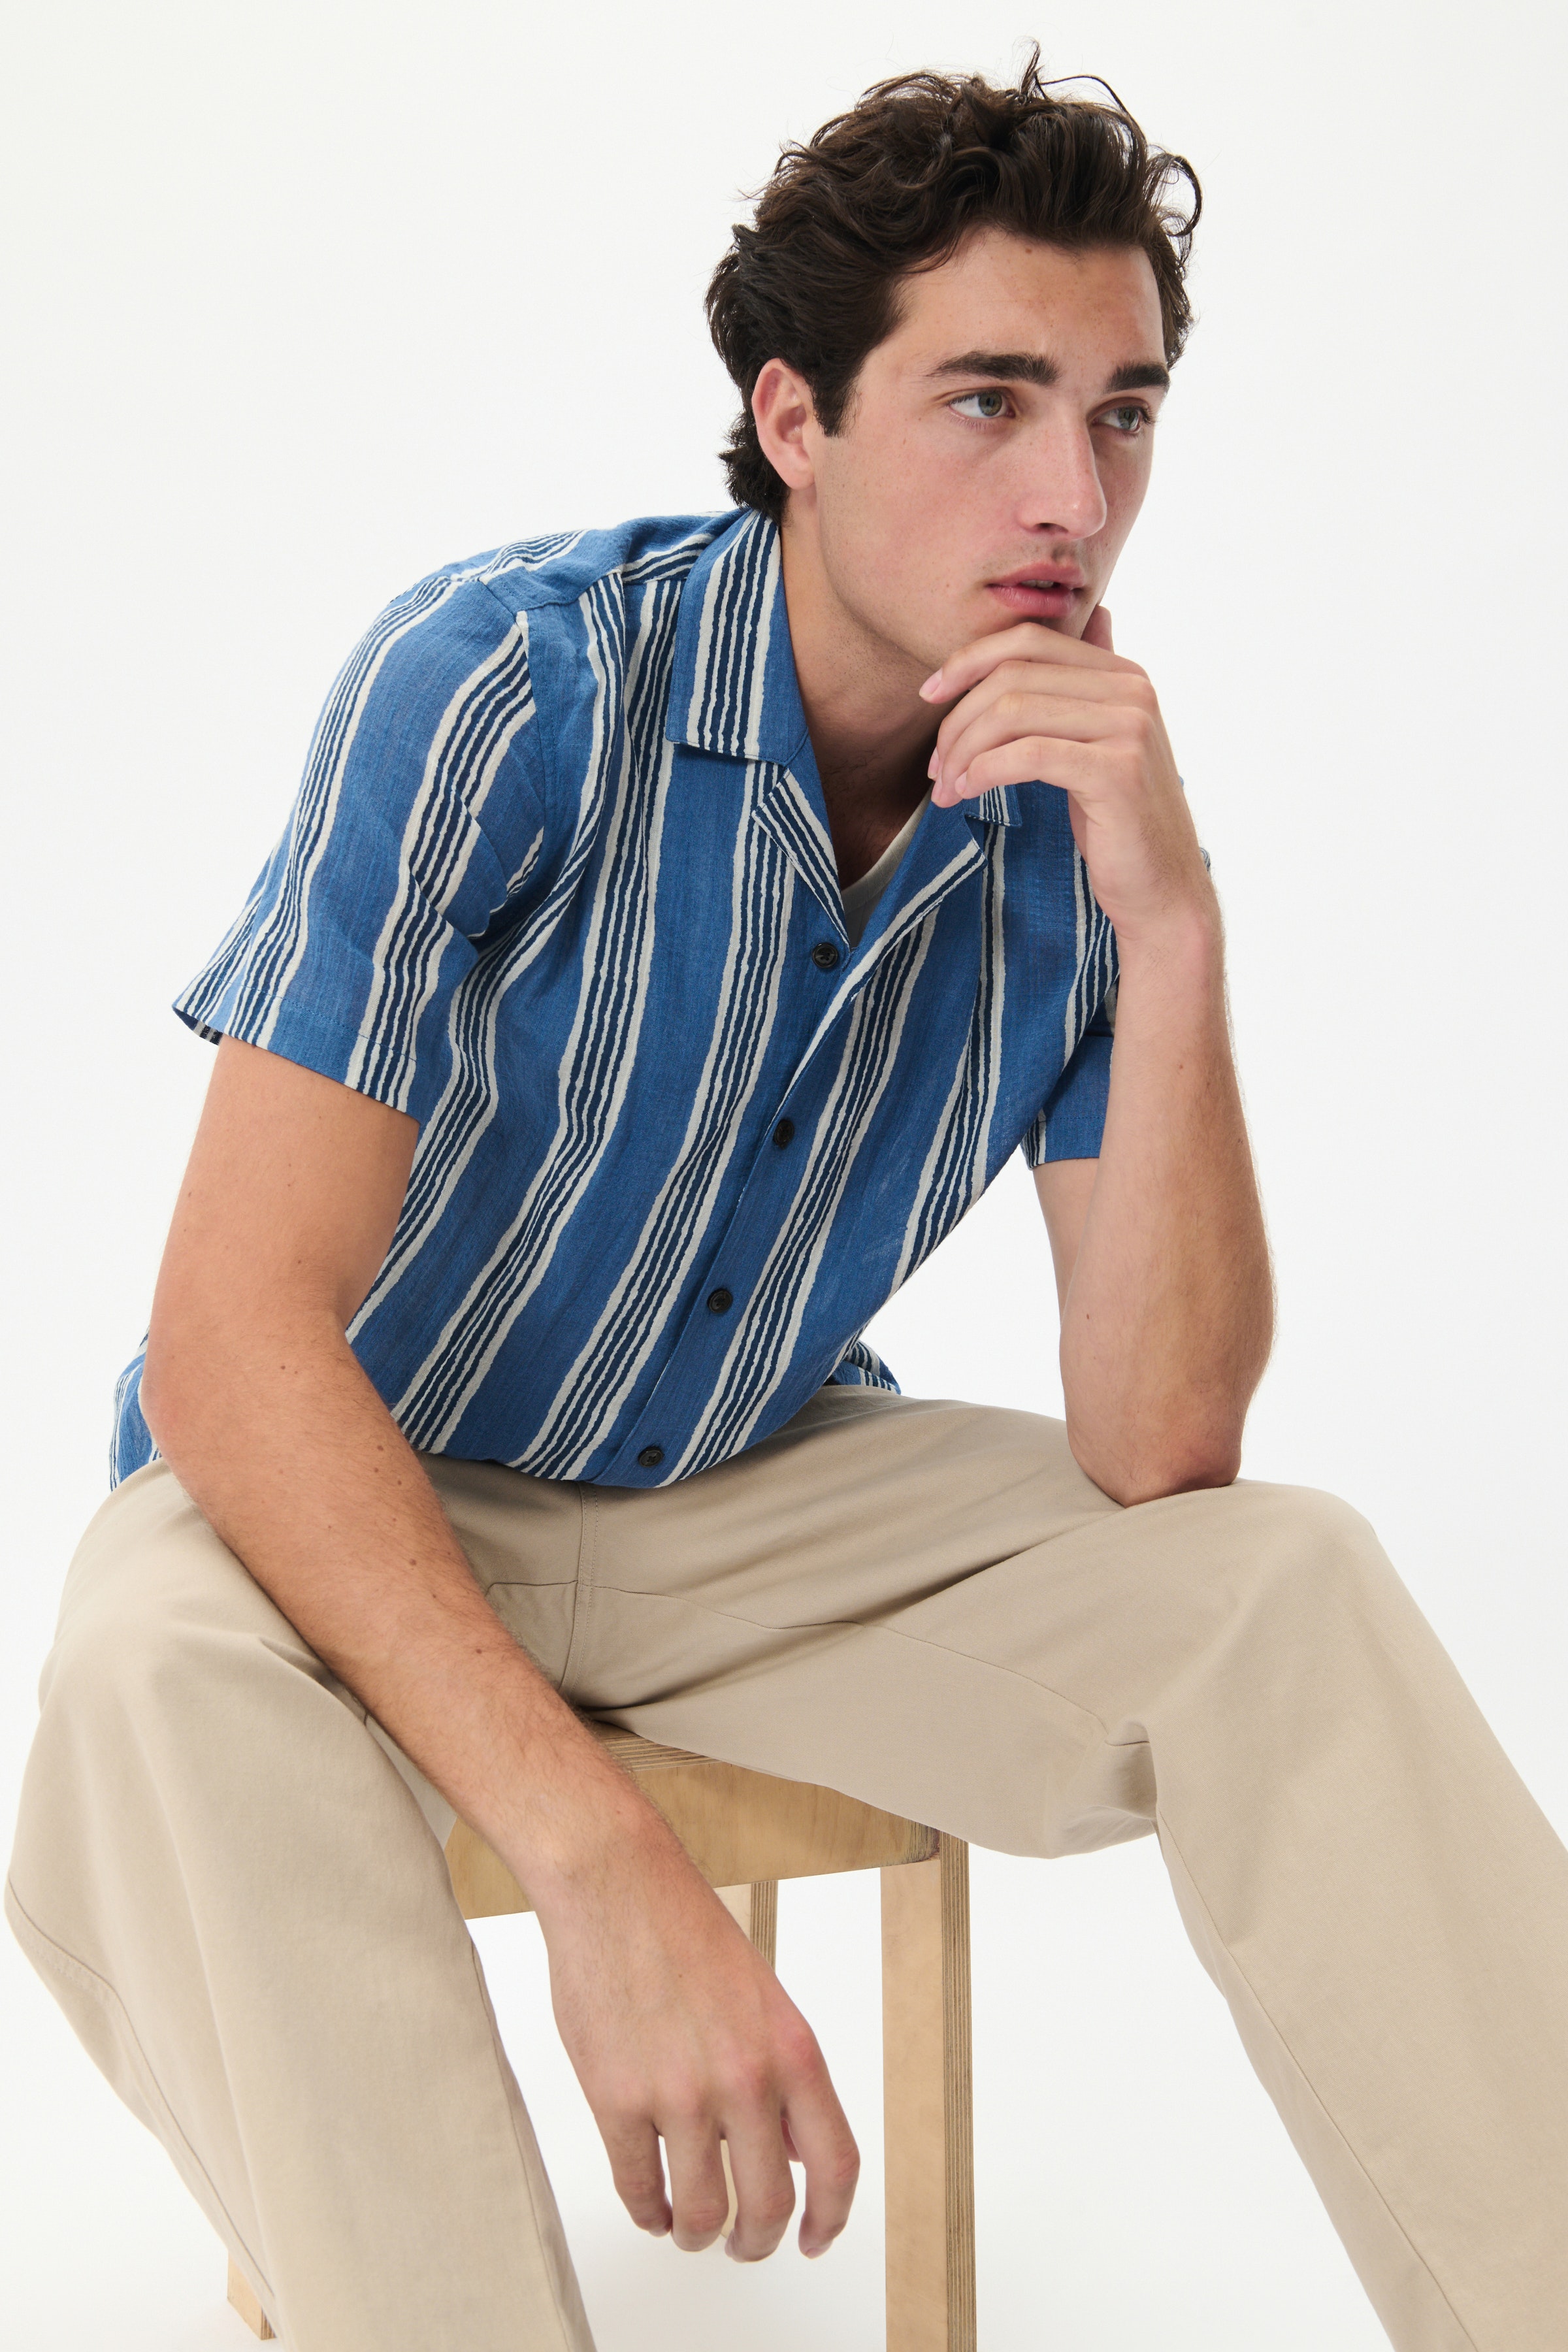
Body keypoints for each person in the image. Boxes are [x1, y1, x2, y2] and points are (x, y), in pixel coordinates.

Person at [8, 55, 1566, 2352]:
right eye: (989, 401)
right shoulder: (512, 682)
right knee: (144, 1678)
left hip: (744, 1502)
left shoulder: (1080, 816)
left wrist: (1175, 924)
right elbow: (236, 1339)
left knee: (1284, 1583)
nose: (1072, 496)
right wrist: (603, 1862)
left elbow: (1162, 1450)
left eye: (1124, 415)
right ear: (795, 417)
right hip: (340, 1491)